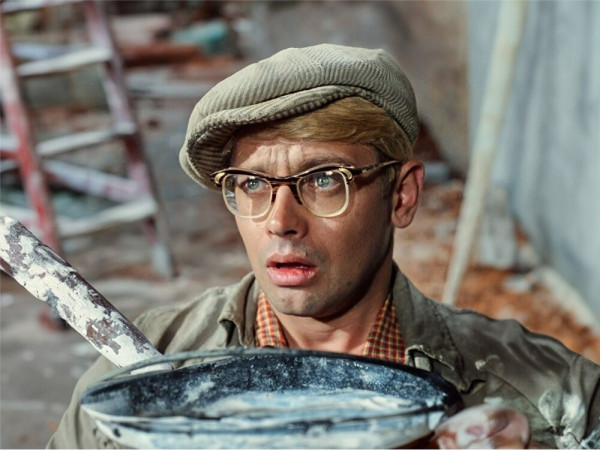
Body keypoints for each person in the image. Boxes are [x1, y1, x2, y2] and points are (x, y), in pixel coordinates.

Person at [48, 44, 599, 449]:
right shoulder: (143, 377)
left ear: (402, 196)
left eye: (325, 180)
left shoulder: (552, 397)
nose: (280, 222)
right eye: (252, 184)